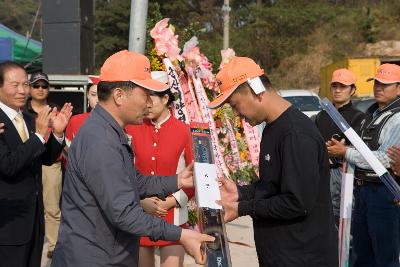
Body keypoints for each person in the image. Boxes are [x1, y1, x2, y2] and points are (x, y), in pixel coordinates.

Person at [51, 50, 213, 267]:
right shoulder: (101, 141)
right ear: (119, 95)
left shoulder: (110, 131)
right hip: (95, 258)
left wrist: (177, 181)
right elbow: (125, 213)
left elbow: (134, 181)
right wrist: (182, 236)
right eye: (145, 94)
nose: (148, 103)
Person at [208, 57, 338, 267]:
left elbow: (296, 202)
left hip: (302, 257)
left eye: (235, 105)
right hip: (282, 254)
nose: (236, 114)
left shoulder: (295, 134)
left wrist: (243, 207)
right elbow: (273, 186)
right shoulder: (273, 127)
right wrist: (241, 193)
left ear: (254, 89)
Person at [327, 63, 400, 267]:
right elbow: (362, 150)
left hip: (385, 194)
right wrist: (341, 150)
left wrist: (346, 152)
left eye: (385, 84)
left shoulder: (397, 118)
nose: (378, 87)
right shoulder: (372, 114)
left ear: (399, 88)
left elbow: (385, 159)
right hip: (363, 192)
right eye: (376, 82)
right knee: (362, 254)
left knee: (385, 257)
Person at [0, 61, 72, 267]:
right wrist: (39, 136)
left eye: (25, 84)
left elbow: (45, 158)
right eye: (15, 85)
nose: (23, 91)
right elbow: (8, 165)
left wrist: (57, 134)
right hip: (8, 224)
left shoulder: (29, 119)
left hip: (33, 220)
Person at [126, 71, 194, 267]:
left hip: (173, 214)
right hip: (140, 213)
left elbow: (194, 177)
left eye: (151, 98)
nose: (146, 104)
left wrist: (171, 201)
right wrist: (140, 200)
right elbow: (126, 172)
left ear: (165, 98)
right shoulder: (133, 128)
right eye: (143, 98)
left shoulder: (184, 131)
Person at [314, 68, 364, 224]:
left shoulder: (358, 117)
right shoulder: (321, 115)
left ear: (353, 90)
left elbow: (361, 151)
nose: (337, 90)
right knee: (320, 216)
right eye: (334, 86)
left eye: (342, 86)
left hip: (344, 174)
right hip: (320, 172)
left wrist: (342, 151)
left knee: (342, 220)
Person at [25, 72, 63, 259]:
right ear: (30, 88)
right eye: (36, 85)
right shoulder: (22, 109)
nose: (40, 89)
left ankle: (53, 246)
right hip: (27, 163)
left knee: (52, 207)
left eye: (44, 86)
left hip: (51, 164)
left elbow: (61, 138)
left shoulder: (55, 109)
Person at [65, 76, 99, 142]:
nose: (97, 100)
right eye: (93, 94)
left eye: (101, 95)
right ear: (87, 95)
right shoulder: (75, 121)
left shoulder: (119, 121)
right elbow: (68, 150)